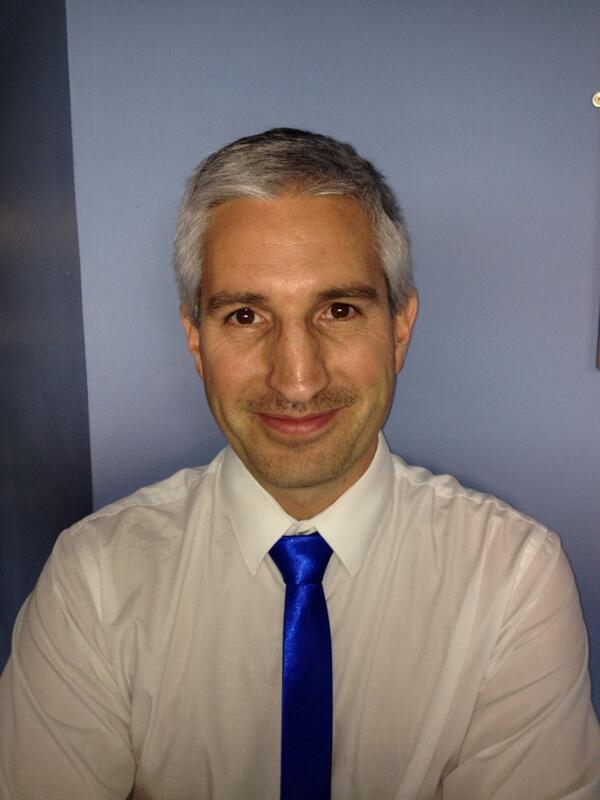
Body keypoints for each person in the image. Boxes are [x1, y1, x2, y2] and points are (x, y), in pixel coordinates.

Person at [0, 128, 598, 800]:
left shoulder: (514, 579)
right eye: (245, 315)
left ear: (400, 329)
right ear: (195, 340)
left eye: (338, 310)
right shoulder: (93, 582)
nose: (297, 379)